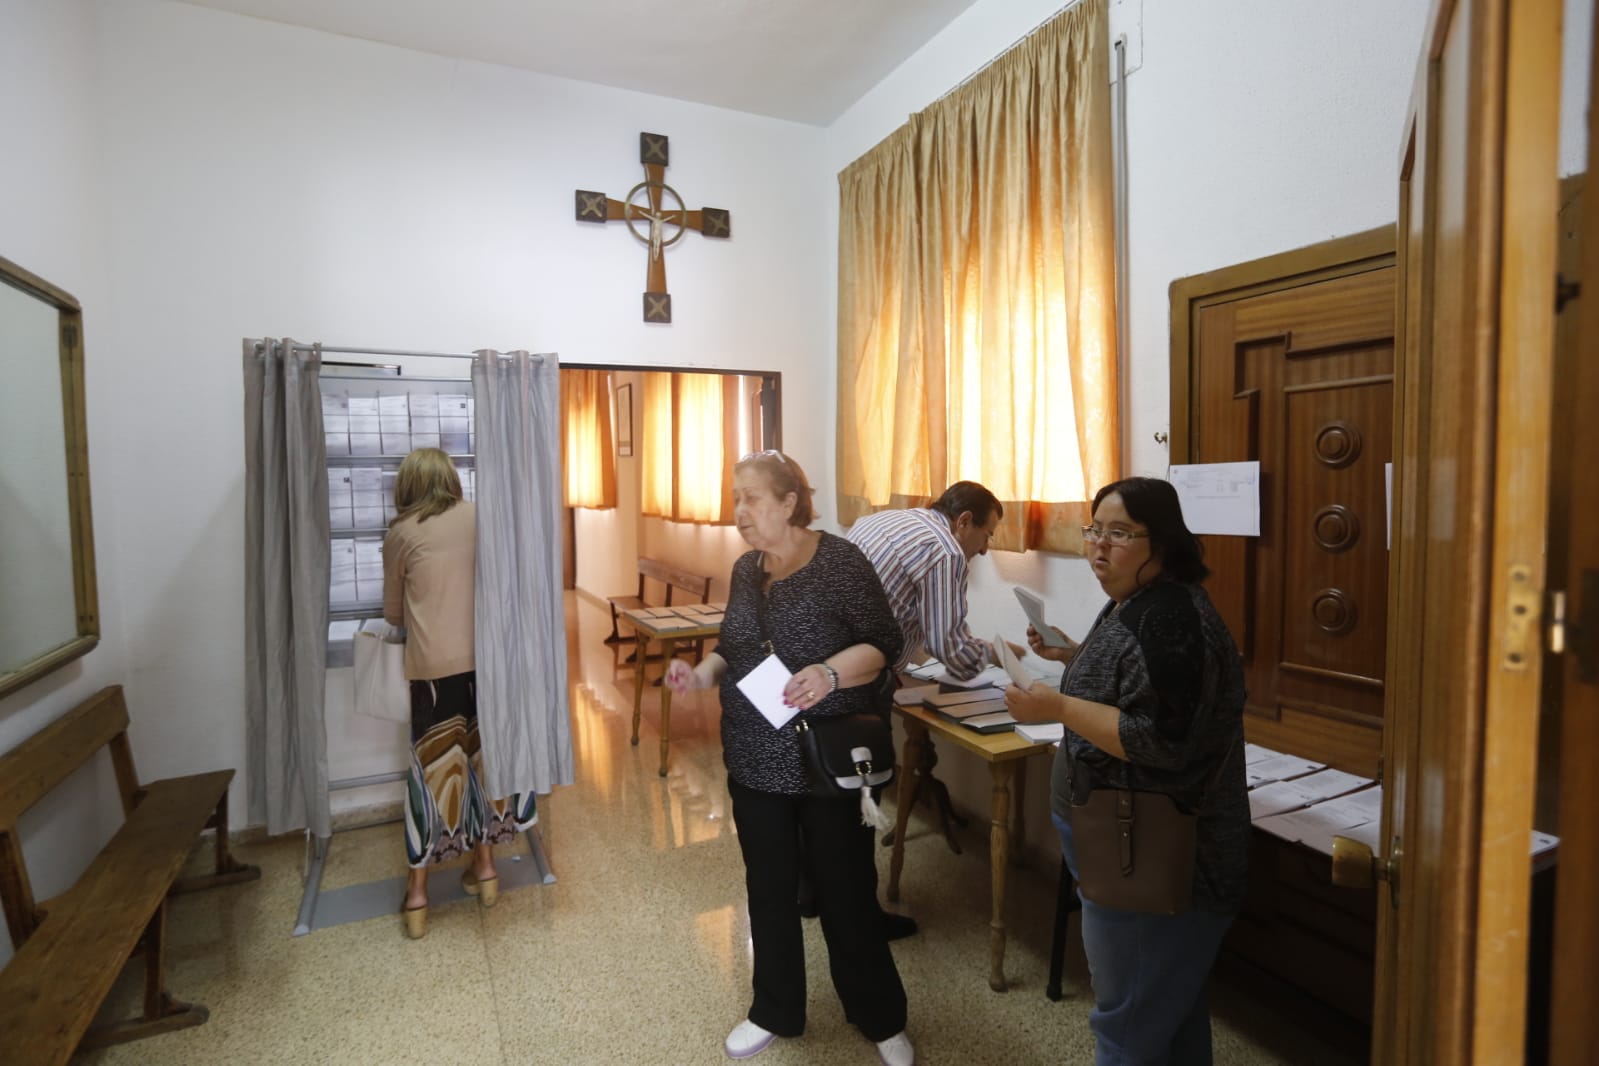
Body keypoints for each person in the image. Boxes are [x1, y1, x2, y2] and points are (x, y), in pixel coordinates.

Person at [665, 451, 915, 1066]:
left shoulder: (840, 562)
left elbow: (884, 645)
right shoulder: (747, 569)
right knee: (769, 890)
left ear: (789, 502)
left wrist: (830, 673)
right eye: (735, 498)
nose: (740, 512)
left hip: (826, 759)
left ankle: (880, 1016)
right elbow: (733, 648)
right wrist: (699, 673)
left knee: (847, 891)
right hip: (755, 756)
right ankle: (772, 1008)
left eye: (752, 498)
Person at [1003, 476, 1248, 1066]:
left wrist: (1058, 705)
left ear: (1162, 543)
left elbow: (1161, 739)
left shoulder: (1171, 622)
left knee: (1128, 1024)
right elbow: (1133, 688)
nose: (1098, 548)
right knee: (1168, 1010)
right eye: (1094, 531)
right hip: (1121, 840)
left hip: (1158, 857)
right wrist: (1069, 655)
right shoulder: (1139, 600)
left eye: (1119, 534)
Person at [382, 447, 537, 940]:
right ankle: (486, 869)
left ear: (406, 487)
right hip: (488, 668)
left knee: (432, 780)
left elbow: (393, 614)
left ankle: (418, 895)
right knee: (483, 766)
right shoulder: (480, 519)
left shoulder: (402, 533)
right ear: (451, 479)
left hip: (433, 674)